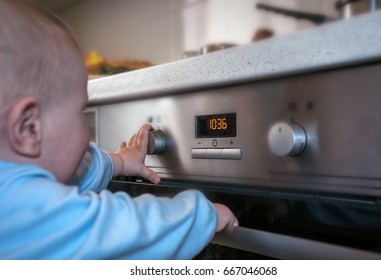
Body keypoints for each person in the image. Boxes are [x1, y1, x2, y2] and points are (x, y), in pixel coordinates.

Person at [0, 0, 238, 259]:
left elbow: (73, 171)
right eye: (80, 111)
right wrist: (201, 218)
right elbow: (122, 231)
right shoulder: (23, 208)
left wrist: (118, 162)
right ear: (28, 127)